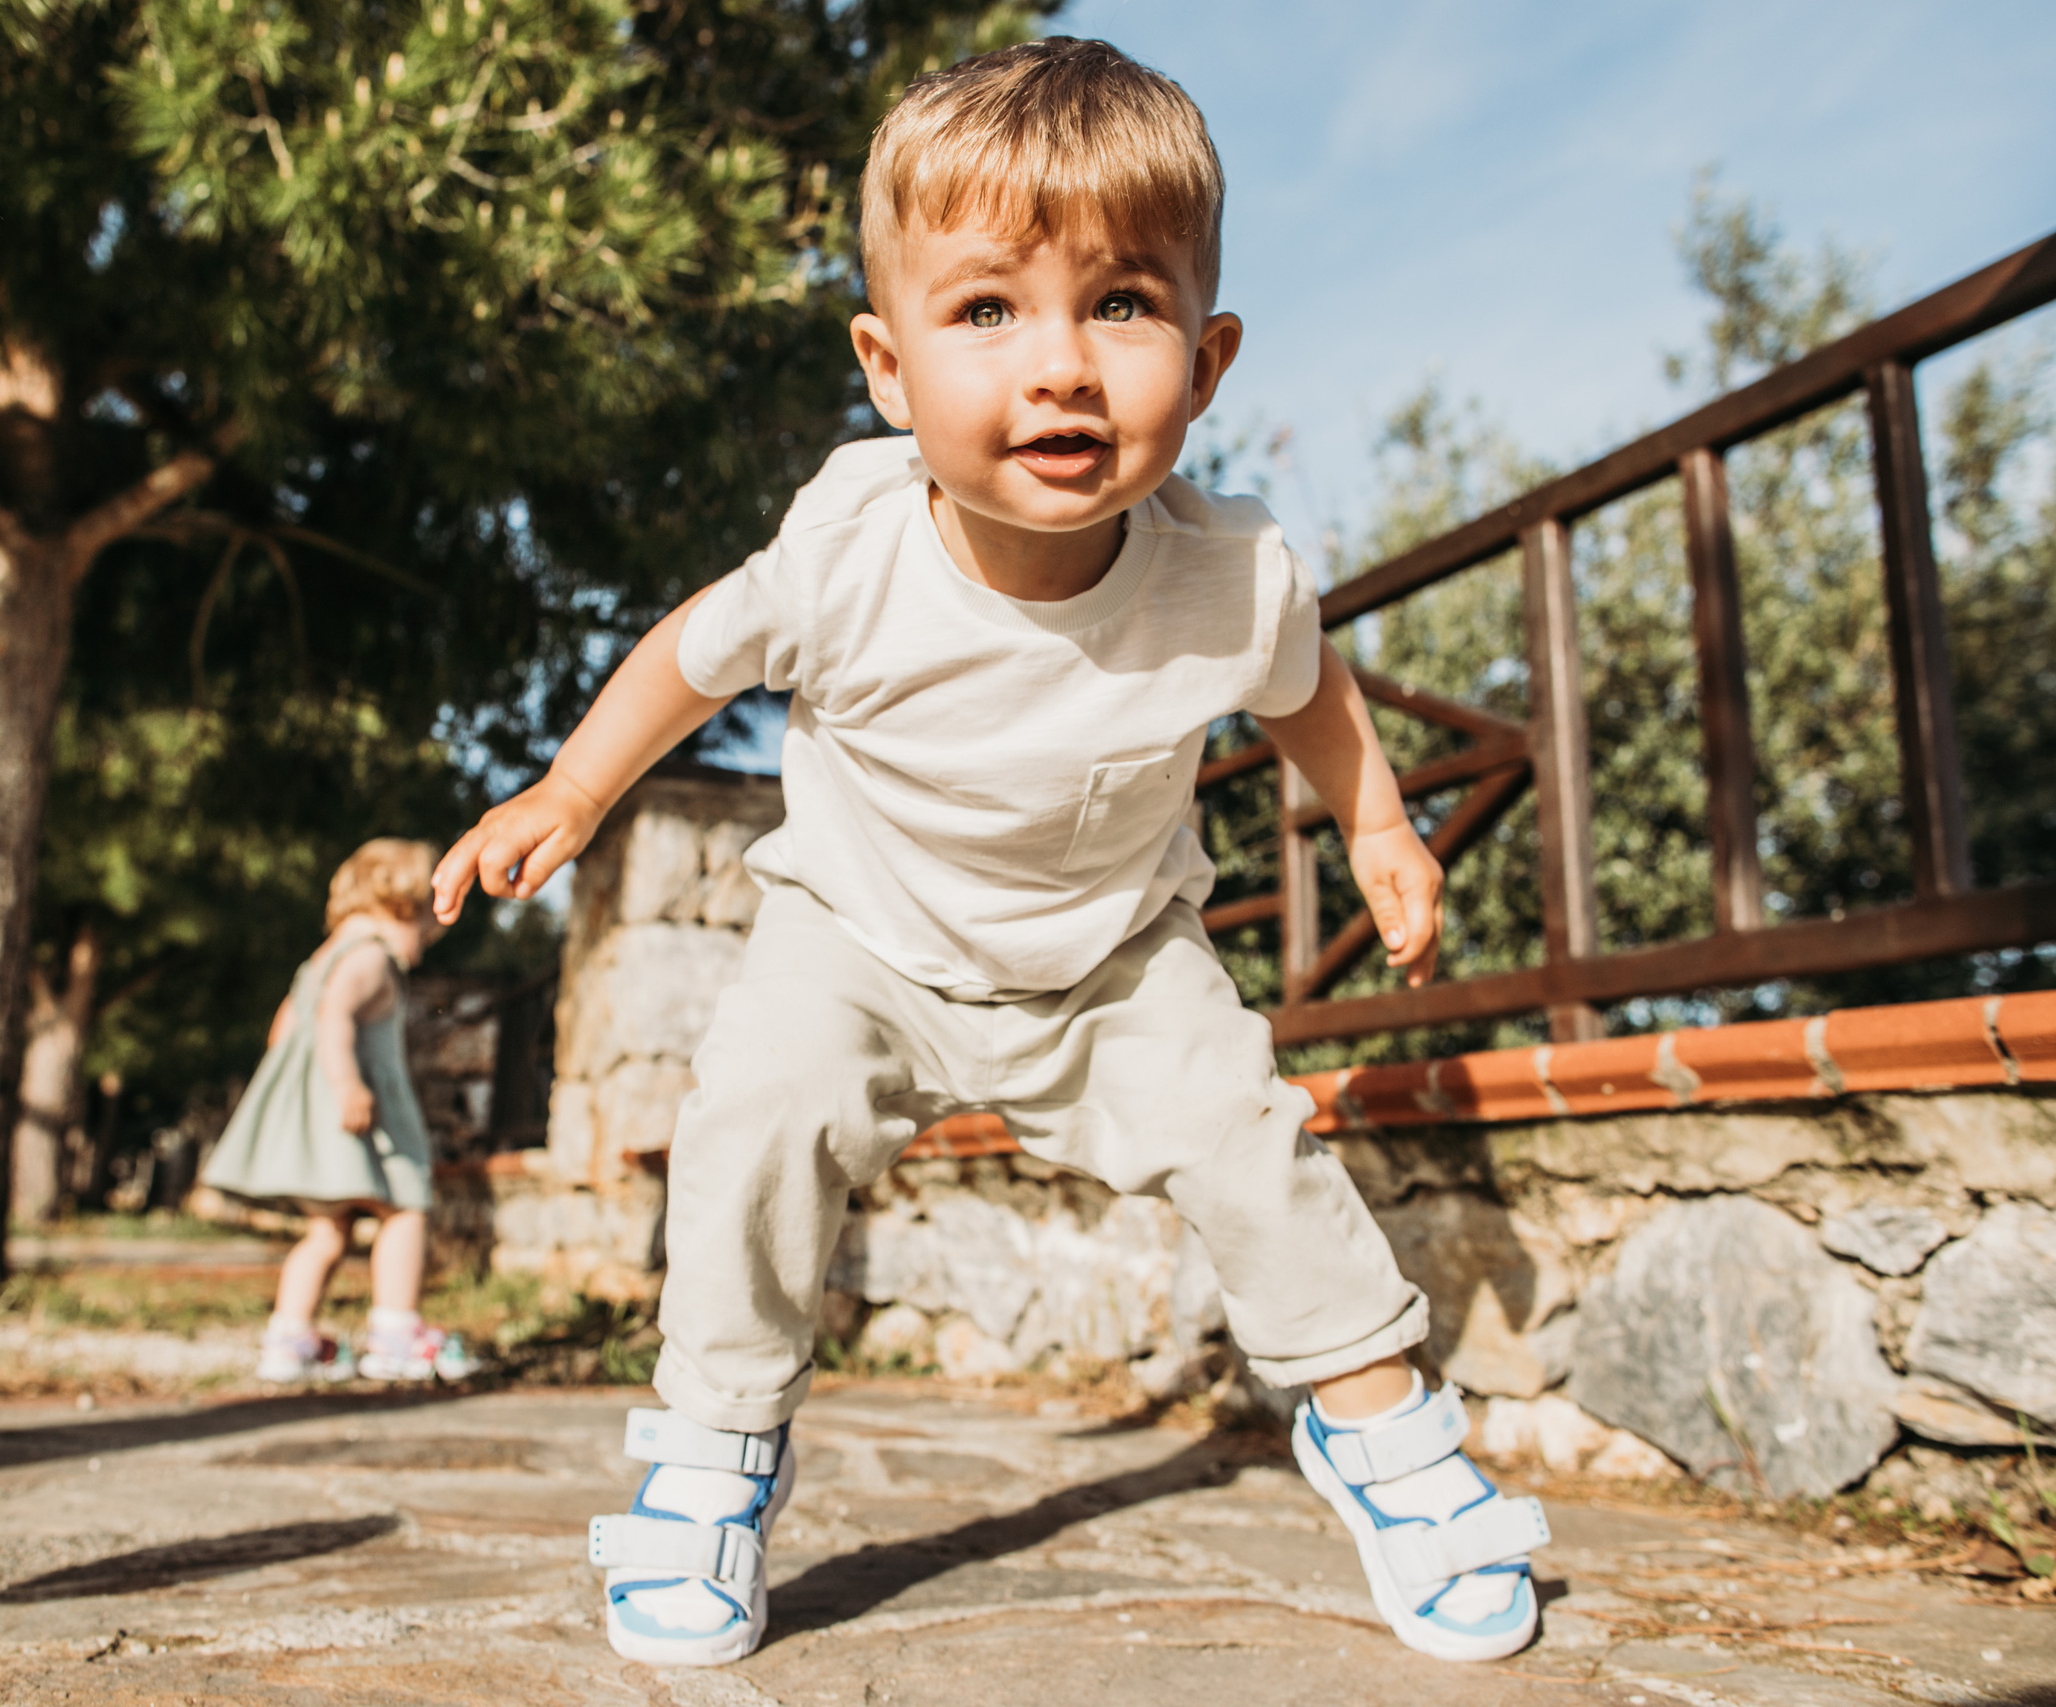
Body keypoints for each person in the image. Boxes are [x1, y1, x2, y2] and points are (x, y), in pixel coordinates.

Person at [431, 38, 1547, 1668]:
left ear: (1209, 355)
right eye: (986, 311)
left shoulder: (1233, 575)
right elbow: (693, 654)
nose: (1063, 366)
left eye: (1122, 303)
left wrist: (1373, 819)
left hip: (1114, 962)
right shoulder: (847, 551)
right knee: (754, 1115)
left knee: (1255, 1143)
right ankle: (715, 1454)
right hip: (858, 944)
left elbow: (1313, 693)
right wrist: (573, 791)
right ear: (888, 367)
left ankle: (1379, 1431)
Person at [201, 838, 477, 1386]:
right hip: (358, 1111)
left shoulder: (320, 959)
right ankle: (396, 1335)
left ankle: (289, 1339)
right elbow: (334, 1019)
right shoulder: (371, 957)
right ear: (402, 906)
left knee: (328, 1231)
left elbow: (284, 1029)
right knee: (403, 1209)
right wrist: (348, 1085)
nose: (424, 945)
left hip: (317, 1119)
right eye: (426, 928)